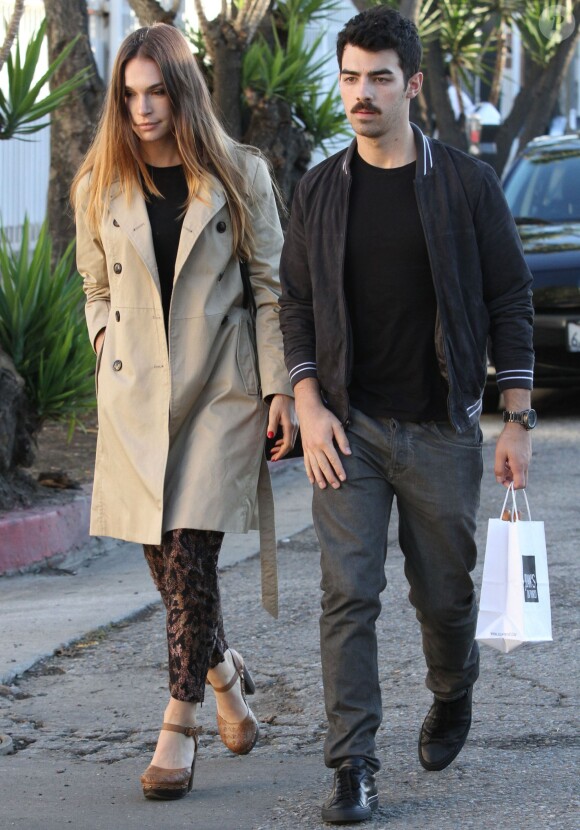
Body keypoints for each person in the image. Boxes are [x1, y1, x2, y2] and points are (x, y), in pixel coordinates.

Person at [279, 7, 534, 824]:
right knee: (348, 595)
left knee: (445, 596)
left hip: (440, 428)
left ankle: (453, 687)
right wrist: (307, 400)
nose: (361, 93)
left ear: (412, 85)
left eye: (379, 78)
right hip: (348, 430)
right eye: (350, 77)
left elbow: (509, 297)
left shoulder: (463, 182)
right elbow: (295, 305)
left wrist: (517, 417)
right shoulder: (320, 190)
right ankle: (353, 764)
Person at [71, 23, 297, 803]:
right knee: (163, 562)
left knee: (189, 549)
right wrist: (105, 342)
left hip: (219, 389)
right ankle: (228, 677)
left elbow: (271, 288)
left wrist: (279, 391)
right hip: (137, 394)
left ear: (183, 89)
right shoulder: (99, 180)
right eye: (129, 95)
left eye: (156, 91)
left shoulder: (239, 173)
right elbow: (95, 286)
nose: (142, 108)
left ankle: (179, 724)